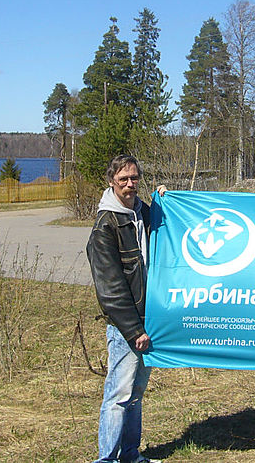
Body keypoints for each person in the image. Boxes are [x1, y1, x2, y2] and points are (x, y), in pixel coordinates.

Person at [86, 154, 164, 463]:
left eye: (134, 178)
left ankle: (130, 455)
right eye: (123, 180)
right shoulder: (106, 225)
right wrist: (134, 331)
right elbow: (111, 289)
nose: (130, 184)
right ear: (111, 182)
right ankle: (107, 458)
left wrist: (164, 201)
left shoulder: (141, 213)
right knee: (118, 396)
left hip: (149, 321)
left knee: (135, 395)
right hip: (127, 328)